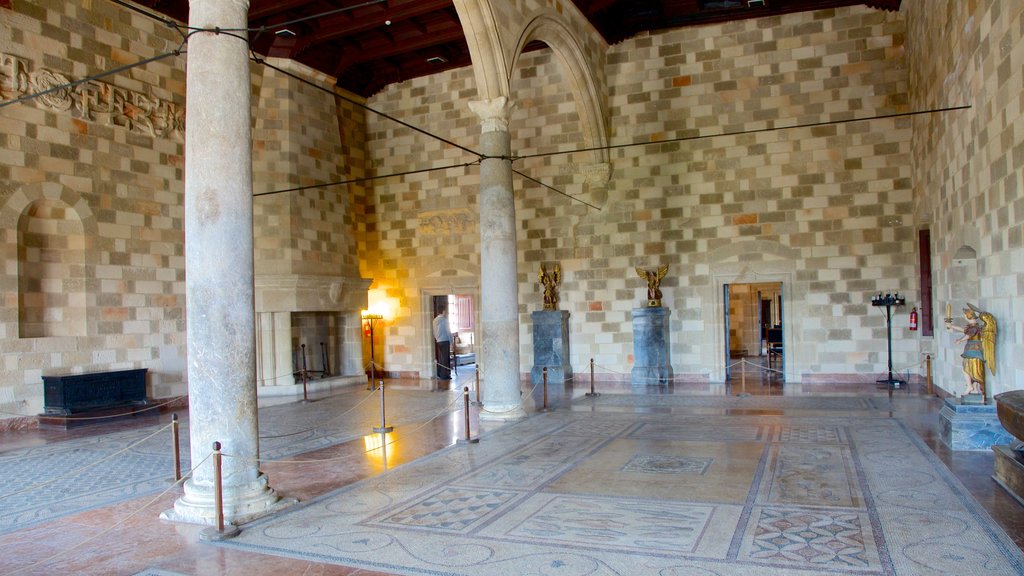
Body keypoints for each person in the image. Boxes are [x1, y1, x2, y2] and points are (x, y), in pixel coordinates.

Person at [945, 303, 997, 398]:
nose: (964, 317)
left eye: (965, 315)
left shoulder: (974, 327)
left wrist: (960, 340)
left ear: (968, 316)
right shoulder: (972, 326)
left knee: (969, 369)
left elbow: (969, 335)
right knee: (967, 369)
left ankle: (971, 386)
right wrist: (951, 326)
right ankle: (972, 387)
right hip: (970, 350)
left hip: (974, 351)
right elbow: (963, 330)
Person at [432, 307, 452, 380]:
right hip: (445, 340)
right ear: (443, 311)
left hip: (439, 341)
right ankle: (443, 375)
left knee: (442, 358)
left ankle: (439, 372)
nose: (445, 312)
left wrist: (437, 338)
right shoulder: (445, 320)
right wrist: (451, 341)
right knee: (445, 358)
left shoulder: (434, 320)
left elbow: (434, 332)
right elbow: (448, 332)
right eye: (445, 311)